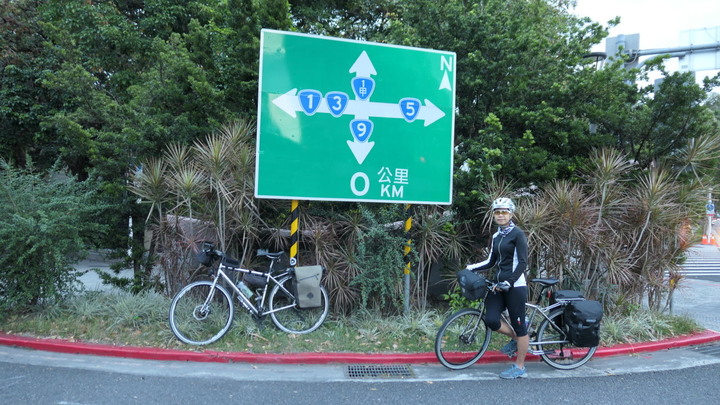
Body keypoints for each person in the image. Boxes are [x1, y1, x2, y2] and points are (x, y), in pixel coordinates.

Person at [466, 197, 529, 379]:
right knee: (492, 320)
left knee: (520, 327)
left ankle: (520, 367)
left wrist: (510, 281)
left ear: (511, 213)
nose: (501, 215)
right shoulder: (496, 236)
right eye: (497, 212)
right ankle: (519, 340)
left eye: (504, 212)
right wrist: (470, 267)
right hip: (498, 285)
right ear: (493, 215)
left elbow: (522, 262)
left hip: (515, 286)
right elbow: (491, 261)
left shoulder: (517, 234)